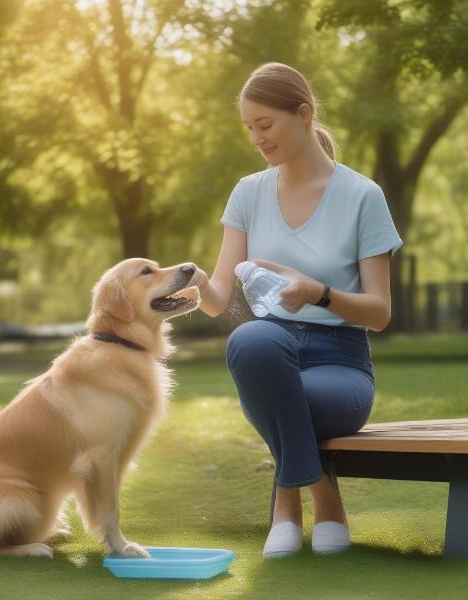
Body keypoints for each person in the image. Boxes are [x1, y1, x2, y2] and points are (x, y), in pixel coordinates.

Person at [187, 62, 403, 558]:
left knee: (282, 395)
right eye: (249, 129)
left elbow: (379, 313)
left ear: (303, 114)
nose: (257, 139)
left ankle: (287, 504)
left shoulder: (362, 196)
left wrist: (318, 292)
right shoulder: (248, 192)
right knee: (250, 338)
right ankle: (324, 498)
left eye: (265, 125)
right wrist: (197, 285)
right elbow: (221, 299)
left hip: (340, 362)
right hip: (273, 348)